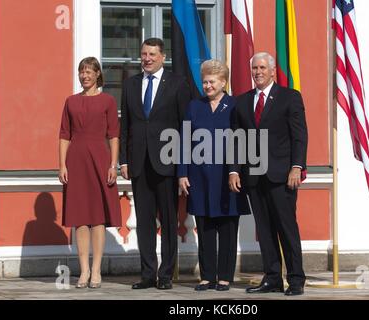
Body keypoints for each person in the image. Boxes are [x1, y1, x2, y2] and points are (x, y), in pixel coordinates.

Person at [229, 52, 308, 296]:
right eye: (254, 68)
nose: (258, 72)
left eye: (263, 67)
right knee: (264, 230)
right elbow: (236, 140)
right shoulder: (241, 102)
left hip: (282, 175)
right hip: (253, 176)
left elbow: (299, 135)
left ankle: (295, 280)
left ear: (273, 71)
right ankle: (272, 277)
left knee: (286, 228)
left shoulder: (289, 97)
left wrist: (297, 166)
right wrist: (234, 170)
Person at [120, 38, 191, 290]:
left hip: (167, 162)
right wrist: (123, 160)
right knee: (145, 221)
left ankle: (165, 274)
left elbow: (186, 127)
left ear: (163, 56)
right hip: (138, 162)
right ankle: (148, 273)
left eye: (151, 54)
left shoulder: (178, 84)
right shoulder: (130, 84)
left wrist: (183, 165)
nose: (147, 58)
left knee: (169, 221)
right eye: (143, 54)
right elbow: (125, 125)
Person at [178, 60, 249, 292]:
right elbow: (184, 142)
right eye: (205, 81)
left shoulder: (235, 105)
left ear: (223, 82)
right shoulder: (194, 106)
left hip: (227, 176)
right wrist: (182, 173)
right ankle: (207, 277)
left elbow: (241, 141)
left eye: (212, 81)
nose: (207, 86)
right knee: (205, 226)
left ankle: (225, 277)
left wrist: (235, 170)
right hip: (199, 176)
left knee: (227, 228)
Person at [59, 57, 122, 289]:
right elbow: (64, 134)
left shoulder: (107, 100)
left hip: (100, 159)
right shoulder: (70, 102)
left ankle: (96, 271)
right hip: (75, 160)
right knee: (80, 218)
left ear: (97, 75)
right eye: (81, 72)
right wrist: (62, 165)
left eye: (88, 72)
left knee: (97, 218)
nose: (84, 76)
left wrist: (113, 164)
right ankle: (83, 270)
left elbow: (114, 135)